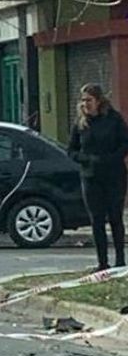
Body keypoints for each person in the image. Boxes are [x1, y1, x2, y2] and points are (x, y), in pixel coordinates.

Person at [68, 84, 128, 271]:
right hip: (90, 177)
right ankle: (102, 262)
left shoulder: (113, 119)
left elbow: (125, 143)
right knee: (97, 219)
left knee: (115, 218)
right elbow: (71, 150)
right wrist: (86, 159)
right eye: (83, 100)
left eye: (89, 100)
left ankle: (120, 260)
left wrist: (111, 159)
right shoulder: (80, 123)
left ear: (98, 101)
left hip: (114, 176)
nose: (85, 104)